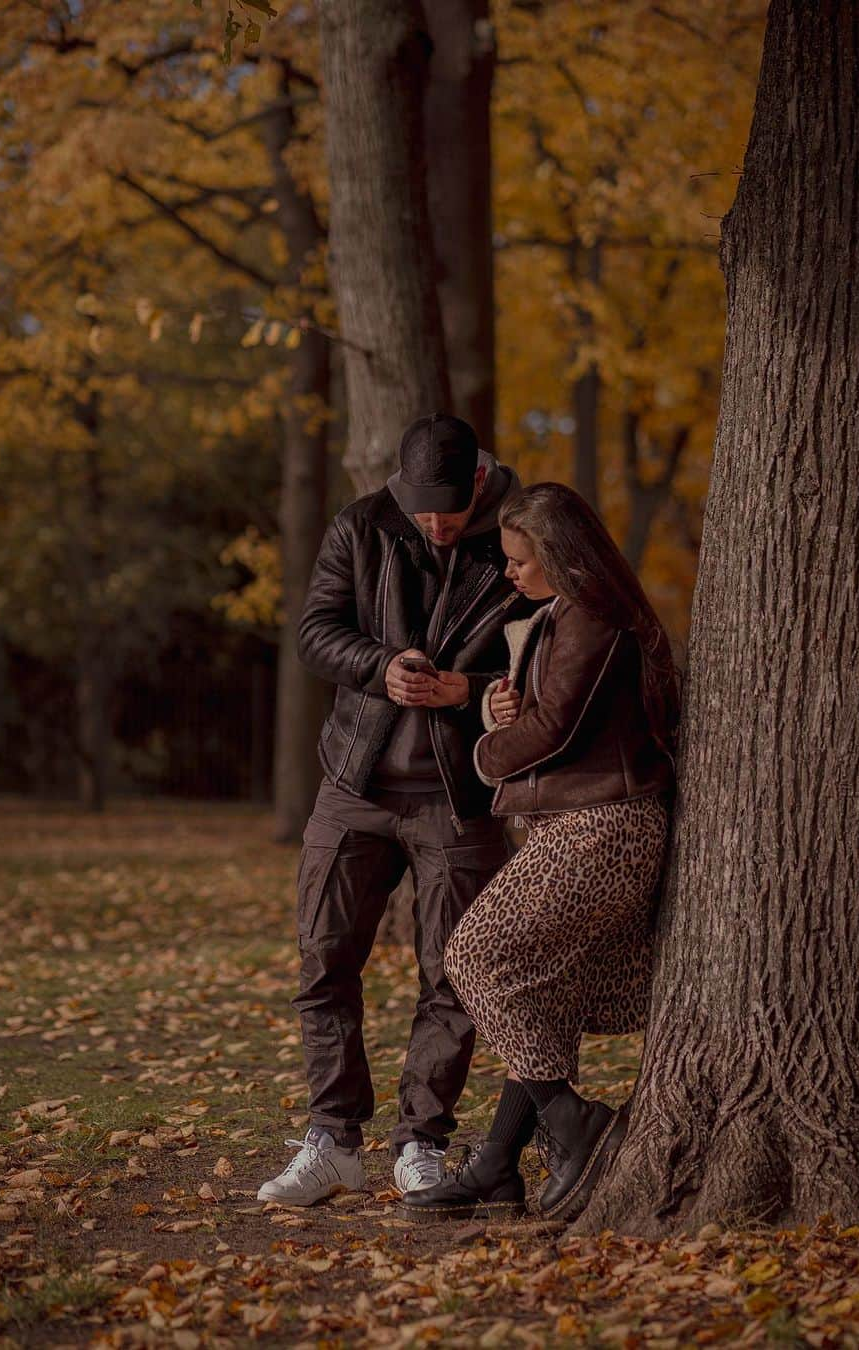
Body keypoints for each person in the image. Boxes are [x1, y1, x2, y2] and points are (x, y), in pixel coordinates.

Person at [257, 413, 529, 1207]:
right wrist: (382, 667)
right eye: (421, 511)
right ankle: (333, 1139)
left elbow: (547, 657)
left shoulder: (519, 534)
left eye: (447, 509)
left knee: (453, 976)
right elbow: (314, 632)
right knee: (323, 960)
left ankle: (422, 1143)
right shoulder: (362, 524)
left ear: (478, 480)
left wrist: (469, 694)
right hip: (354, 785)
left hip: (460, 796)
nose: (435, 525)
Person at [399, 481, 679, 1224]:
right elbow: (556, 712)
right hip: (576, 824)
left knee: (478, 956)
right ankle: (496, 1167)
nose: (509, 573)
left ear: (560, 554)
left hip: (603, 830)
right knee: (540, 991)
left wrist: (488, 750)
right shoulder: (563, 616)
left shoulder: (594, 616)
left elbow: (554, 728)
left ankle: (574, 1122)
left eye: (521, 560)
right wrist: (500, 698)